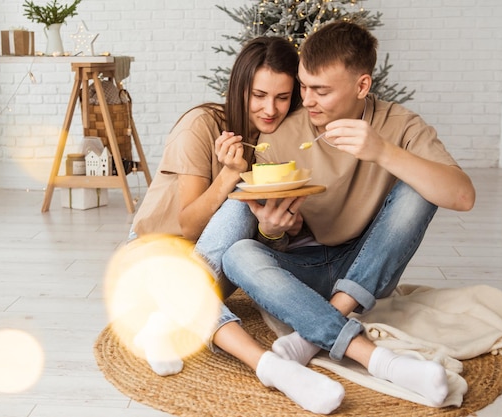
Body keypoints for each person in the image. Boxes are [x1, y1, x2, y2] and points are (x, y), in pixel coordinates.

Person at [220, 20, 476, 408]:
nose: (307, 100)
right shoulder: (286, 133)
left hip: (365, 269)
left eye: (321, 90)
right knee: (237, 254)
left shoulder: (400, 125)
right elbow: (272, 230)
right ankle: (378, 359)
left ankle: (313, 332)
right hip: (302, 271)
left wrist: (385, 153)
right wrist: (272, 232)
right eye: (304, 86)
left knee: (419, 186)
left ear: (362, 86)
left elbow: (462, 195)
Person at [128, 36, 345, 414]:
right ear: (240, 87)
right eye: (259, 95)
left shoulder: (280, 138)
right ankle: (269, 366)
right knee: (241, 202)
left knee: (243, 226)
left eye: (282, 97)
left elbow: (265, 238)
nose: (270, 109)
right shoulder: (202, 124)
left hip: (212, 266)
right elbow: (190, 225)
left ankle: (166, 320)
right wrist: (230, 175)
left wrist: (279, 228)